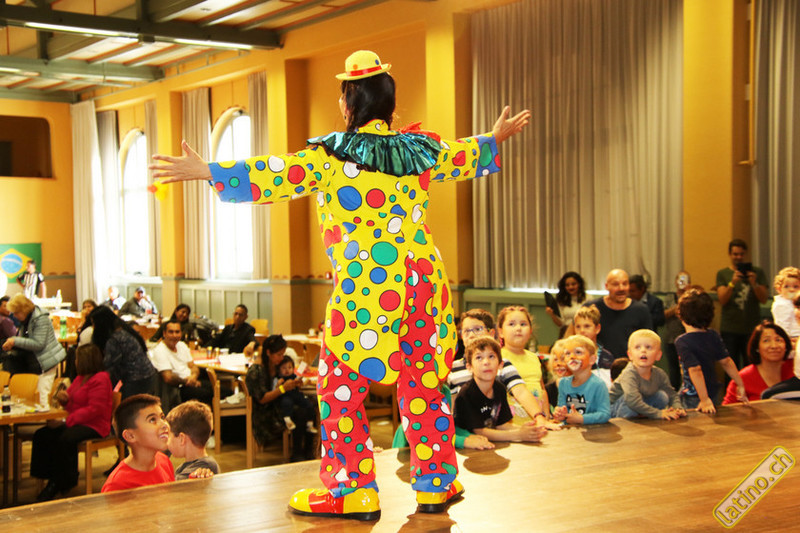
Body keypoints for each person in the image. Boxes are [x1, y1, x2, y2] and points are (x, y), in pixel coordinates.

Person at [152, 49, 530, 520]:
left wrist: (210, 171)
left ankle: (352, 489)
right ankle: (436, 481)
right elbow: (463, 155)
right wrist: (492, 140)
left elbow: (275, 173)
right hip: (426, 282)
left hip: (371, 286)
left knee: (340, 386)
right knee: (425, 384)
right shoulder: (421, 149)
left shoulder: (331, 156)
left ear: (349, 101)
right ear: (389, 103)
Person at [31, 344, 113, 501]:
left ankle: (59, 482)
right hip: (77, 421)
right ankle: (48, 476)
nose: (75, 362)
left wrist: (66, 420)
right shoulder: (79, 378)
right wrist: (64, 401)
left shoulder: (101, 379)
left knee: (65, 438)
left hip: (95, 425)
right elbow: (72, 403)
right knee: (42, 435)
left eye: (77, 359)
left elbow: (95, 409)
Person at [448, 309, 552, 426]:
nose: (471, 335)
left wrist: (539, 417)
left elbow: (521, 392)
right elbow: (453, 404)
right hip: (468, 429)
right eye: (466, 331)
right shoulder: (452, 368)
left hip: (496, 427)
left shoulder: (502, 364)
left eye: (477, 329)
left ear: (491, 333)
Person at [454, 336, 547, 444]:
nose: (486, 362)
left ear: (500, 364)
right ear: (469, 367)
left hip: (489, 444)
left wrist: (529, 430)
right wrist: (518, 434)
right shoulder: (467, 393)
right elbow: (479, 431)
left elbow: (501, 425)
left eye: (491, 356)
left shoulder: (500, 389)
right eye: (479, 358)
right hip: (468, 444)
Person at [675, 287, 747, 413]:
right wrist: (740, 384)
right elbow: (726, 362)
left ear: (680, 314)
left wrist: (704, 399)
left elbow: (695, 370)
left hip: (694, 395)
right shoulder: (713, 335)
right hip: (713, 391)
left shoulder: (682, 341)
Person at [245, 335, 314, 462]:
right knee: (299, 412)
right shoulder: (256, 371)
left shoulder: (277, 366)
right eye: (278, 354)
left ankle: (307, 451)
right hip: (265, 413)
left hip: (279, 404)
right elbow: (262, 399)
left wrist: (294, 383)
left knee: (308, 406)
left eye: (283, 354)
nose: (281, 358)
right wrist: (283, 389)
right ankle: (297, 453)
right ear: (268, 353)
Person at [102, 394, 175, 493]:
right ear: (130, 436)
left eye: (162, 417)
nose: (164, 424)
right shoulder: (118, 485)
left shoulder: (164, 461)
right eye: (152, 420)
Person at [715, 239, 769, 369]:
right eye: (735, 254)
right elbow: (722, 300)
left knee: (751, 365)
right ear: (730, 254)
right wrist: (732, 283)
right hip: (729, 328)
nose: (738, 257)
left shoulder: (757, 272)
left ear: (746, 254)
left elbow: (764, 299)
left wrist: (754, 284)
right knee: (730, 365)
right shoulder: (723, 274)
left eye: (741, 254)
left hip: (751, 328)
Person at [609, 330, 685, 420]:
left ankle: (644, 417)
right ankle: (628, 422)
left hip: (638, 405)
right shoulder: (629, 374)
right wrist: (658, 413)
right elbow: (632, 401)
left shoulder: (659, 374)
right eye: (637, 347)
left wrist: (678, 408)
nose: (643, 351)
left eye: (648, 347)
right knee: (629, 400)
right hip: (615, 410)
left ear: (658, 355)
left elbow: (672, 394)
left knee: (662, 396)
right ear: (630, 355)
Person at [2, 294, 65, 402]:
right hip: (35, 362)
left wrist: (15, 341)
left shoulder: (40, 319)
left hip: (46, 362)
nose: (14, 316)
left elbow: (39, 344)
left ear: (24, 310)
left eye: (16, 312)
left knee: (43, 396)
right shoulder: (26, 320)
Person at [583, 269, 652, 359]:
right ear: (606, 286)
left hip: (631, 364)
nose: (621, 288)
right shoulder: (591, 308)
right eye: (615, 284)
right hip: (598, 364)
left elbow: (649, 341)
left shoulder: (641, 310)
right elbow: (574, 336)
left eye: (625, 284)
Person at [90, 306, 157, 399]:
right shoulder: (125, 330)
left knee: (128, 406)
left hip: (136, 379)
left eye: (94, 323)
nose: (93, 327)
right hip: (148, 375)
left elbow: (110, 366)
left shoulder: (115, 339)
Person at [722, 321, 794, 404]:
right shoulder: (743, 378)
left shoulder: (795, 370)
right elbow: (727, 409)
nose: (774, 346)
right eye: (766, 341)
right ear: (757, 347)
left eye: (778, 340)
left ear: (786, 346)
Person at [151, 320, 213, 408]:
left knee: (222, 390)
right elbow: (168, 377)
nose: (174, 335)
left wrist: (193, 377)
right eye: (171, 332)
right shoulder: (159, 350)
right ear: (164, 334)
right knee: (208, 394)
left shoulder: (182, 345)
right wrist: (187, 382)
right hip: (178, 388)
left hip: (191, 381)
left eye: (177, 332)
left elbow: (193, 366)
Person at [497, 306, 549, 410]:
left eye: (523, 324)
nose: (518, 328)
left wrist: (546, 415)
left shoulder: (534, 358)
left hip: (536, 416)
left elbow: (542, 390)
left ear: (530, 331)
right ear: (501, 332)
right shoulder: (497, 357)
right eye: (511, 324)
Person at [552, 335, 611, 425]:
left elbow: (605, 414)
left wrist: (582, 419)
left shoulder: (598, 384)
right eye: (568, 354)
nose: (572, 356)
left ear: (592, 359)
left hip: (593, 431)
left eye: (578, 352)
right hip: (570, 431)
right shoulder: (563, 383)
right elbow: (562, 409)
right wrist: (560, 414)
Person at [166, 400, 219, 480]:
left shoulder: (204, 468)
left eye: (168, 435)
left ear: (182, 439)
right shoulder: (185, 467)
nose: (167, 442)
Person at [573, 305, 615, 388]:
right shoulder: (571, 356)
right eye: (578, 327)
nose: (582, 331)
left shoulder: (607, 357)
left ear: (597, 328)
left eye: (587, 326)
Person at [662, 271, 691, 390]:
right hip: (671, 339)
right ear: (675, 282)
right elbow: (663, 315)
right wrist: (676, 308)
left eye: (685, 280)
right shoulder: (669, 297)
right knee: (673, 369)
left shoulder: (691, 297)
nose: (682, 283)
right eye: (680, 280)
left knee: (688, 368)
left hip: (688, 340)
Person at [274, 355, 316, 433]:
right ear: (279, 370)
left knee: (308, 403)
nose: (287, 370)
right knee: (286, 403)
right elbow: (276, 389)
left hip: (296, 395)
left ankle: (310, 423)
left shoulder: (294, 377)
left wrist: (300, 382)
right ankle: (287, 419)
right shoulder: (280, 379)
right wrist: (279, 384)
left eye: (289, 367)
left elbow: (300, 384)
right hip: (286, 395)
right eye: (284, 368)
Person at [770, 267, 800, 344]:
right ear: (779, 289)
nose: (791, 289)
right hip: (790, 337)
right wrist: (787, 340)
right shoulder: (781, 305)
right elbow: (782, 326)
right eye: (786, 286)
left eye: (795, 286)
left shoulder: (796, 301)